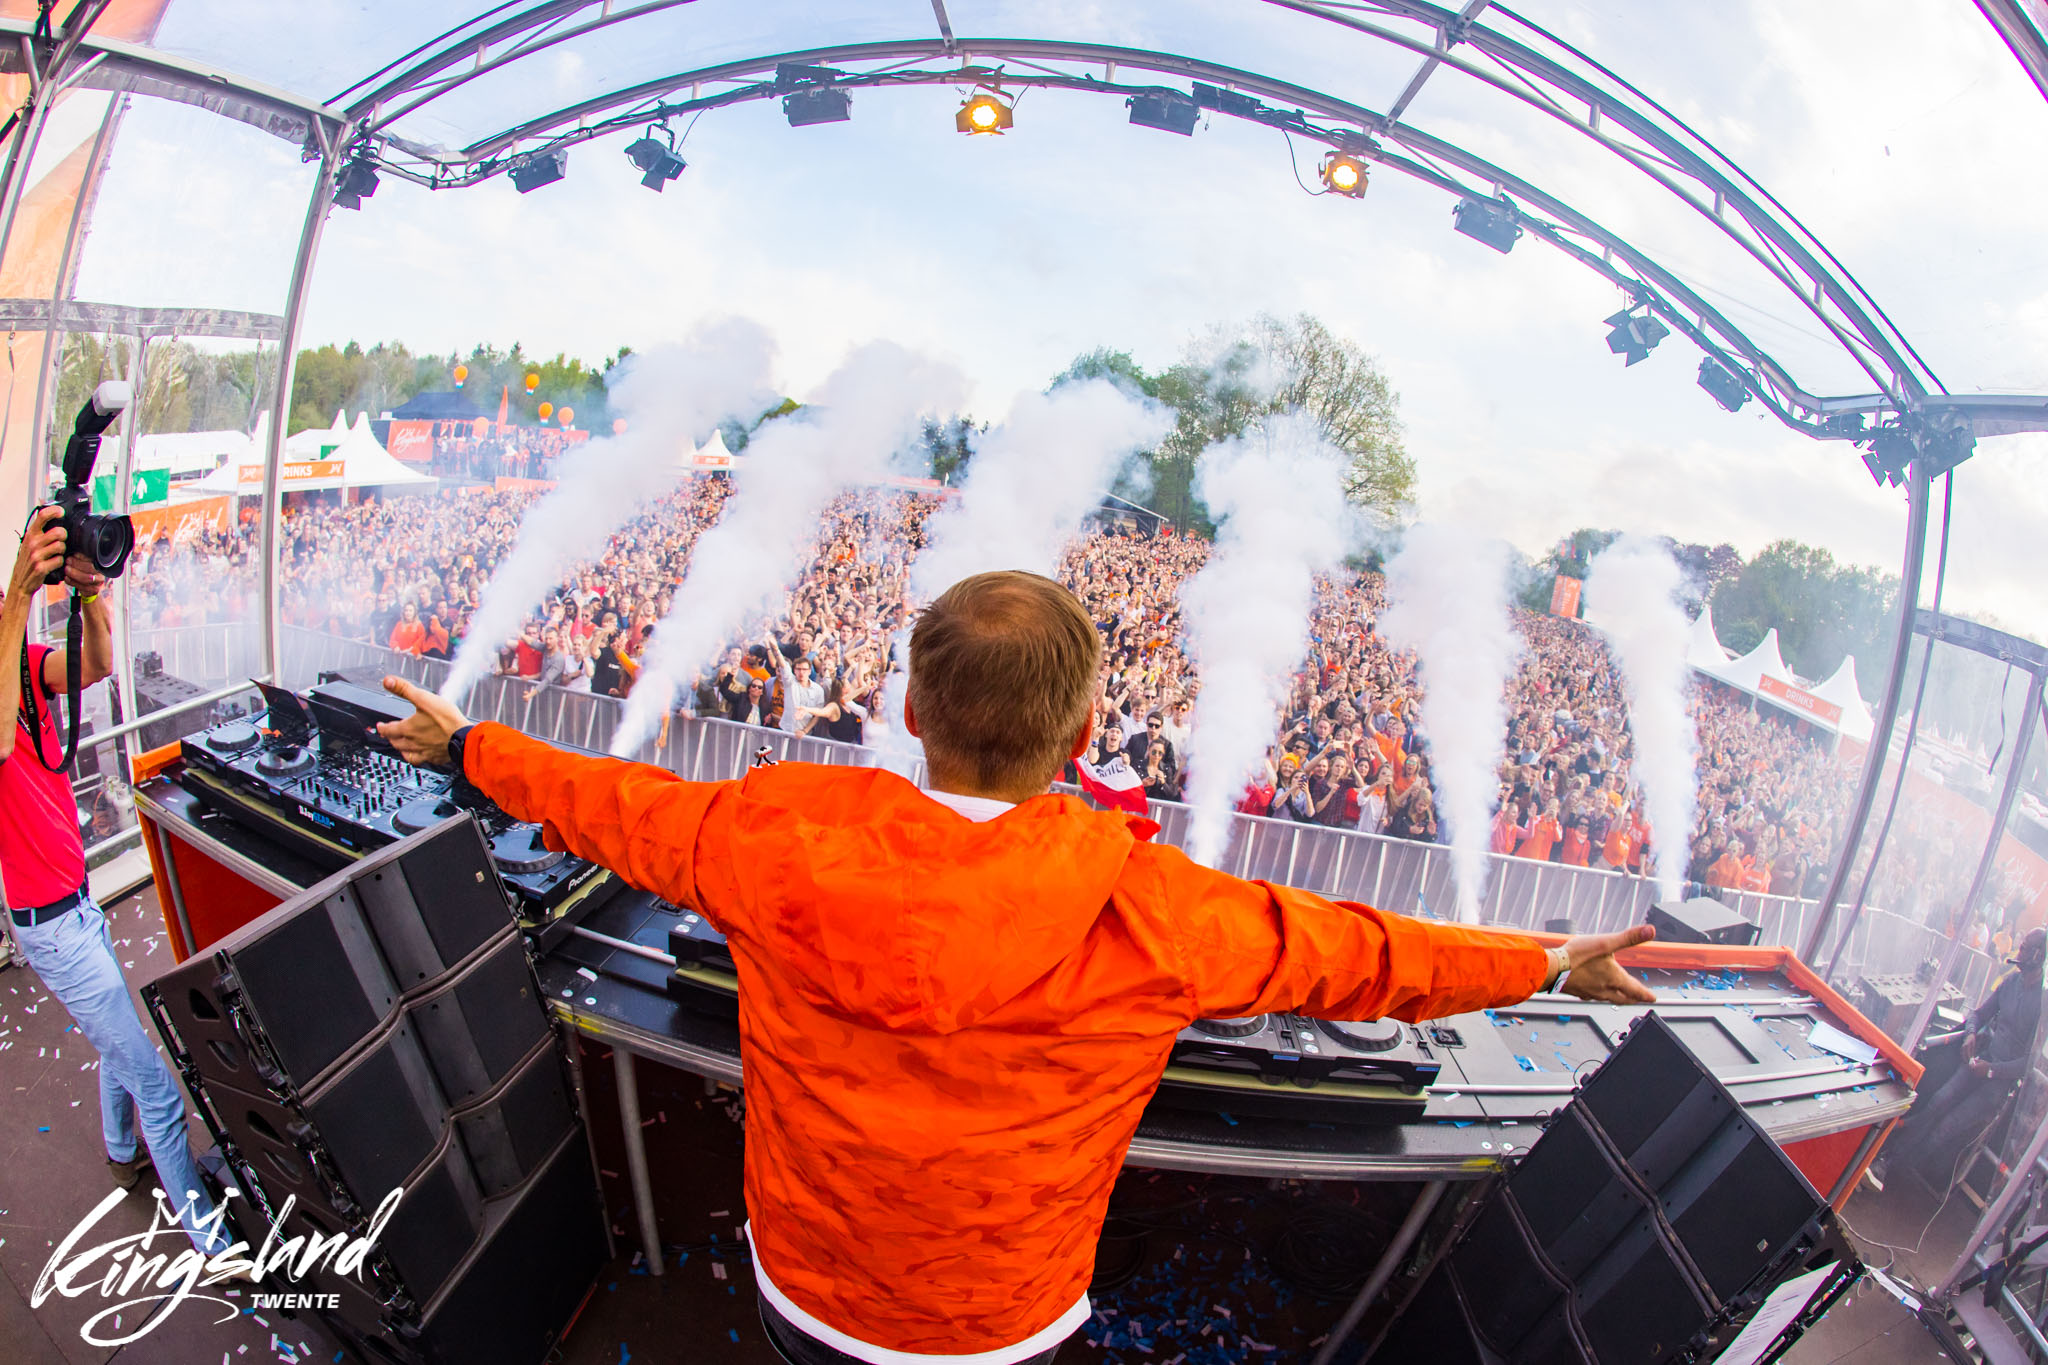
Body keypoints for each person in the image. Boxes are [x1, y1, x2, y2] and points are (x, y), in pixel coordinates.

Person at [377, 570, 1654, 1365]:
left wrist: (473, 745)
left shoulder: (772, 837)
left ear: (910, 713)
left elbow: (611, 805)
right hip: (1004, 1325)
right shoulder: (1158, 908)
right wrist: (1546, 963)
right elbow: (1365, 958)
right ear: (1086, 729)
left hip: (807, 1291)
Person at [0, 508, 228, 1254]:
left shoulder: (23, 668)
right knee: (157, 1086)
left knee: (116, 1037)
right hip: (51, 928)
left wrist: (89, 592)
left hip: (77, 904)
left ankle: (121, 1151)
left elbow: (95, 664)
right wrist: (18, 593)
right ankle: (210, 1240)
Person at [1876, 927, 2048, 1193]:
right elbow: (1978, 1014)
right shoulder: (2012, 982)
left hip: (1996, 1086)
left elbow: (2029, 1063)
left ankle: (1898, 1169)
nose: (2019, 951)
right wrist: (1970, 1035)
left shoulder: (2043, 1003)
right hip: (1979, 1061)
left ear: (2038, 956)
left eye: (2024, 948)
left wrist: (1992, 1071)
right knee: (1937, 1102)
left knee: (1946, 1129)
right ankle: (1888, 1160)